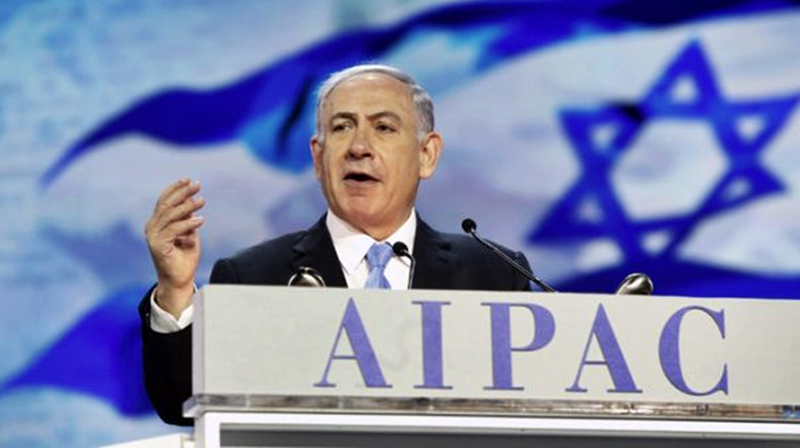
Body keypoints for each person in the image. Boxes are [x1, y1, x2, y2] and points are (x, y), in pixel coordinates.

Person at [139, 64, 534, 426]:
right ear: (318, 156)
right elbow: (182, 405)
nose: (359, 147)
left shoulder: (495, 275)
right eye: (342, 127)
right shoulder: (253, 277)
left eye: (384, 128)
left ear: (426, 155)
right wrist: (175, 290)